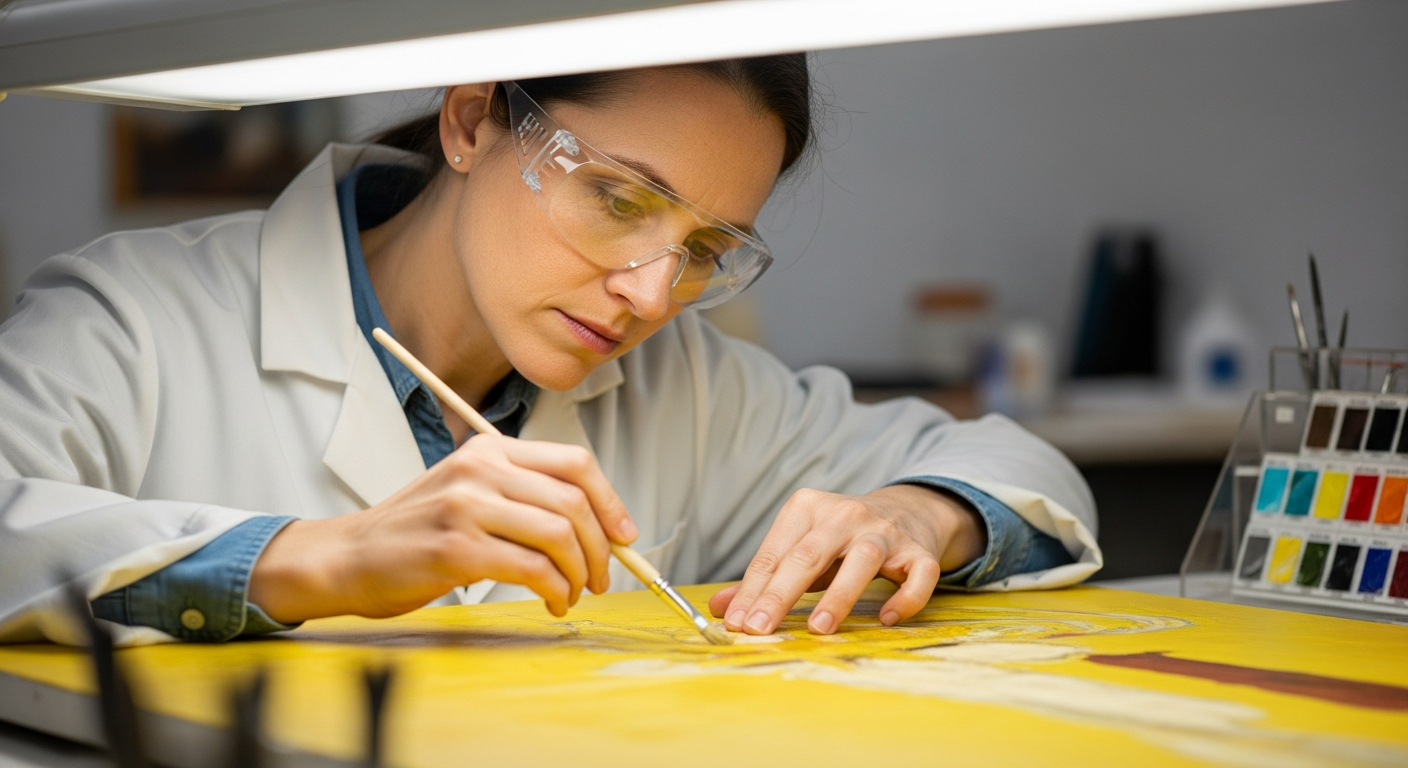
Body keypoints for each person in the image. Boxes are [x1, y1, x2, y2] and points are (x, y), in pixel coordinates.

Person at [0, 56, 1100, 646]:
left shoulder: (692, 388)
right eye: (618, 200)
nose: (651, 293)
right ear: (473, 118)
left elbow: (1024, 470)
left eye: (706, 247)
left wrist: (919, 515)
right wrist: (322, 560)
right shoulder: (135, 316)